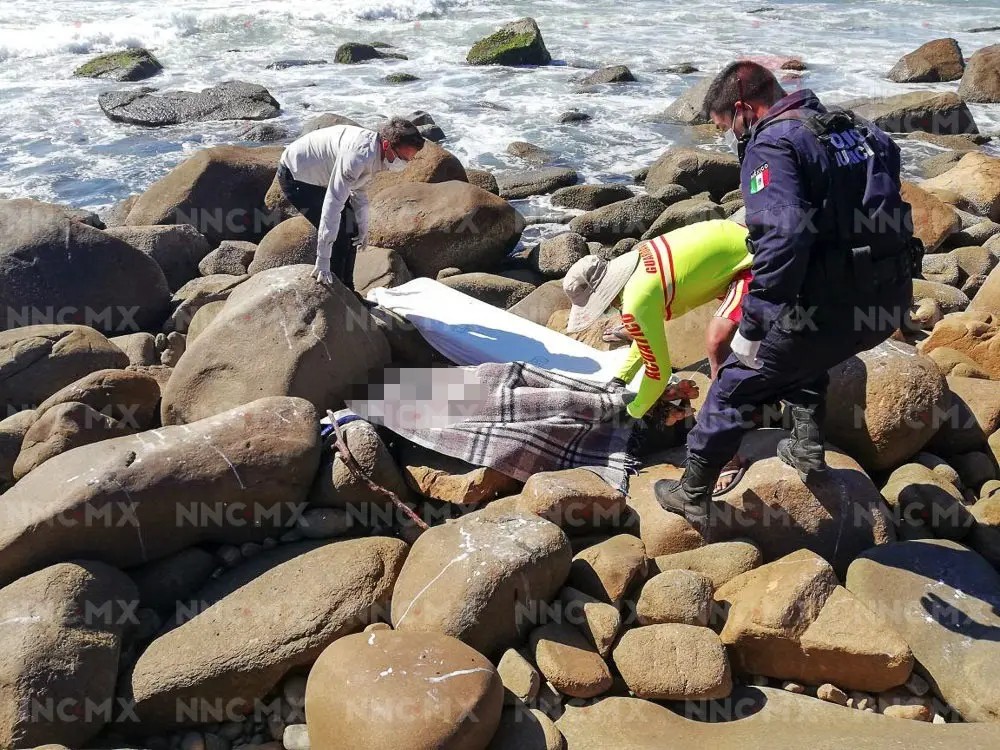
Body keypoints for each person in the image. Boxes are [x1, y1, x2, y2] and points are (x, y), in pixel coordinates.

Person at [655, 60, 917, 525]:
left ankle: (692, 492)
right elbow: (888, 182)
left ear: (743, 109)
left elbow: (784, 237)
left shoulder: (772, 144)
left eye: (726, 127)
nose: (731, 137)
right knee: (803, 353)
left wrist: (753, 322)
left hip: (831, 307)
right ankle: (806, 447)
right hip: (885, 302)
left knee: (736, 382)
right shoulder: (854, 127)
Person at [564, 219, 755, 490]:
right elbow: (644, 343)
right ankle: (752, 406)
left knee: (717, 347)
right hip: (734, 241)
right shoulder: (636, 271)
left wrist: (632, 411)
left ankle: (726, 455)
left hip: (755, 259)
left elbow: (658, 372)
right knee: (744, 343)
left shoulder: (635, 302)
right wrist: (620, 378)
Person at [276, 118, 425, 289]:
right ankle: (334, 288)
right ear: (386, 145)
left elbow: (359, 191)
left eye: (409, 160)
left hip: (322, 173)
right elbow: (332, 205)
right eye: (402, 158)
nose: (404, 164)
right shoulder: (358, 157)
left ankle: (348, 289)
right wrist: (323, 259)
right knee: (339, 233)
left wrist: (362, 228)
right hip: (296, 174)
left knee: (351, 230)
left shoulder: (376, 154)